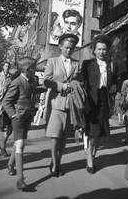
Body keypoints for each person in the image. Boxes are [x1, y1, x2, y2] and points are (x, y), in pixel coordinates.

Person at [43, 33, 82, 177]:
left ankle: (58, 161)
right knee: (55, 136)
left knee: (64, 137)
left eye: (71, 49)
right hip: (56, 103)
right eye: (66, 47)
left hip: (70, 104)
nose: (69, 51)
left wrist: (76, 84)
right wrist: (60, 86)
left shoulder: (77, 63)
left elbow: (80, 81)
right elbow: (46, 81)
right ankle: (54, 165)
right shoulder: (52, 61)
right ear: (60, 47)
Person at [81, 34, 117, 174]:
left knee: (99, 134)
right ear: (94, 50)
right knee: (92, 133)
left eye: (104, 49)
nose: (102, 52)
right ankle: (90, 161)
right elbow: (82, 82)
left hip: (104, 100)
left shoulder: (113, 65)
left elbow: (113, 84)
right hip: (91, 100)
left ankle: (92, 155)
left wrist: (114, 95)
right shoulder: (87, 64)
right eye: (99, 49)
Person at [3, 57, 39, 191]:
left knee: (19, 142)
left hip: (27, 116)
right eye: (35, 68)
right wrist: (13, 115)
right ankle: (20, 179)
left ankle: (10, 164)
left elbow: (33, 91)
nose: (36, 70)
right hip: (18, 118)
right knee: (21, 144)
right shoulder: (16, 82)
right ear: (27, 69)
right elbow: (7, 102)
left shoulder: (33, 80)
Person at [0, 61, 12, 157]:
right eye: (5, 66)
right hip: (1, 95)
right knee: (1, 111)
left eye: (8, 66)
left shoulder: (11, 76)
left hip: (8, 95)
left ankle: (3, 125)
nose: (7, 67)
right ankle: (2, 124)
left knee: (5, 112)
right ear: (3, 67)